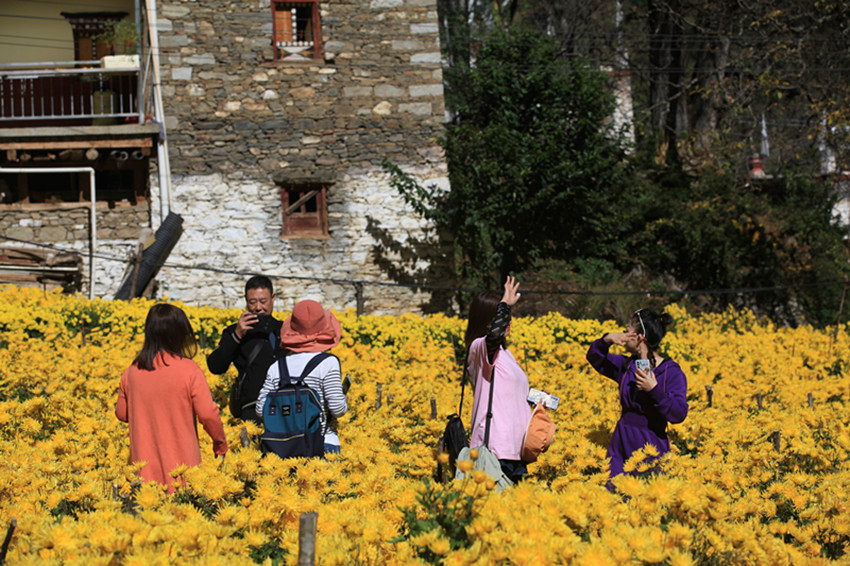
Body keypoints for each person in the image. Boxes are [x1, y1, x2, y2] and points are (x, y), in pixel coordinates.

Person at [115, 304, 228, 492]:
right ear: (180, 334)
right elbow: (208, 415)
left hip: (144, 480)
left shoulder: (131, 372)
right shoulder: (190, 370)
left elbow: (122, 414)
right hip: (184, 475)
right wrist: (220, 444)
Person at [586, 308, 688, 487]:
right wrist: (607, 339)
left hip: (650, 447)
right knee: (612, 493)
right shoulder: (626, 365)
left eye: (626, 331)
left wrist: (654, 390)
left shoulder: (670, 372)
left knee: (645, 497)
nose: (623, 335)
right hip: (621, 442)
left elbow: (679, 413)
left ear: (639, 337)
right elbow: (595, 358)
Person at [255, 300, 348, 454]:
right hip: (322, 445)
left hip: (282, 449)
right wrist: (344, 401)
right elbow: (337, 409)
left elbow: (260, 409)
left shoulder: (277, 366)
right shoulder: (328, 363)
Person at [465, 276, 532, 483]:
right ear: (486, 320)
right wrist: (504, 304)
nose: (509, 321)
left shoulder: (506, 354)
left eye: (509, 316)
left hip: (517, 448)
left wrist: (534, 399)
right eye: (503, 316)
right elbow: (494, 336)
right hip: (495, 447)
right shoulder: (479, 348)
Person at [207, 275, 283, 422]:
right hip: (251, 410)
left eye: (263, 301)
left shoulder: (284, 330)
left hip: (284, 407)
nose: (258, 308)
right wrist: (237, 335)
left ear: (273, 298)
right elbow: (215, 367)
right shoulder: (234, 332)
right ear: (246, 301)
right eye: (252, 302)